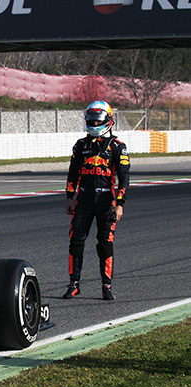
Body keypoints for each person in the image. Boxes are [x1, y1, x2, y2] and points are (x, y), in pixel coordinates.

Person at [63, 100, 130, 301]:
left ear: (109, 120)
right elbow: (73, 172)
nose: (93, 123)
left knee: (104, 244)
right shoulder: (80, 145)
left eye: (97, 120)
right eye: (91, 120)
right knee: (76, 242)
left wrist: (120, 203)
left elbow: (124, 176)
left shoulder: (118, 146)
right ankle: (74, 284)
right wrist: (69, 196)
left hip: (106, 202)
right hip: (83, 200)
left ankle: (106, 286)